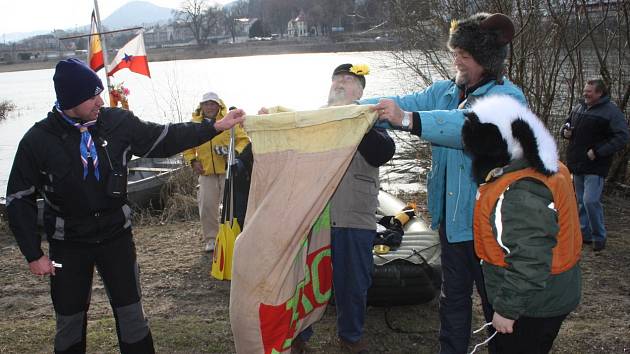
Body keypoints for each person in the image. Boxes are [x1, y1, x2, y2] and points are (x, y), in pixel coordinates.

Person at [5, 58, 245, 354]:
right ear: (70, 100)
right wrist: (33, 253)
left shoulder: (117, 122)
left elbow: (165, 137)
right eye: (92, 96)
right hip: (68, 245)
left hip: (116, 238)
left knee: (133, 318)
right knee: (68, 323)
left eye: (98, 94)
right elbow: (18, 199)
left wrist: (214, 127)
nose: (100, 101)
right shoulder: (38, 140)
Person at [366, 13, 526, 353]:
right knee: (452, 300)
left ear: (485, 60)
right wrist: (346, 109)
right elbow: (399, 103)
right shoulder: (445, 92)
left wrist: (407, 120)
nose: (456, 60)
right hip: (452, 228)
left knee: (494, 302)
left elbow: (466, 128)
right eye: (455, 53)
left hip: (491, 228)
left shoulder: (509, 99)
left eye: (464, 56)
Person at [461, 95, 581, 354]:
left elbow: (531, 259)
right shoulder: (546, 166)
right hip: (548, 295)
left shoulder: (521, 191)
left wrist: (506, 310)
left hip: (532, 305)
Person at [289, 64, 395, 353]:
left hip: (354, 215)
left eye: (348, 80)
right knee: (308, 279)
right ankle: (299, 335)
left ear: (360, 91)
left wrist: (352, 117)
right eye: (336, 79)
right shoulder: (313, 118)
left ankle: (351, 337)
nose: (339, 84)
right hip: (316, 216)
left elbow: (382, 153)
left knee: (354, 282)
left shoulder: (371, 119)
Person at [560, 78, 629, 251]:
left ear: (599, 93)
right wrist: (565, 131)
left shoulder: (611, 112)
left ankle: (599, 237)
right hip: (577, 163)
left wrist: (598, 151)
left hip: (596, 165)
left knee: (590, 201)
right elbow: (567, 123)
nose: (585, 94)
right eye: (585, 91)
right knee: (581, 202)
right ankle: (585, 236)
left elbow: (622, 137)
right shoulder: (579, 107)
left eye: (589, 92)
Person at [183, 93, 250, 252]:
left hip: (227, 171)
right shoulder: (194, 124)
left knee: (231, 205)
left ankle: (234, 236)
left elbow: (244, 140)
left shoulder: (229, 121)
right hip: (206, 172)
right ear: (201, 106)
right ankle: (211, 239)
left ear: (219, 105)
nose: (210, 107)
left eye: (213, 104)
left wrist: (234, 154)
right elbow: (186, 146)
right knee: (207, 206)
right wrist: (193, 160)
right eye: (207, 104)